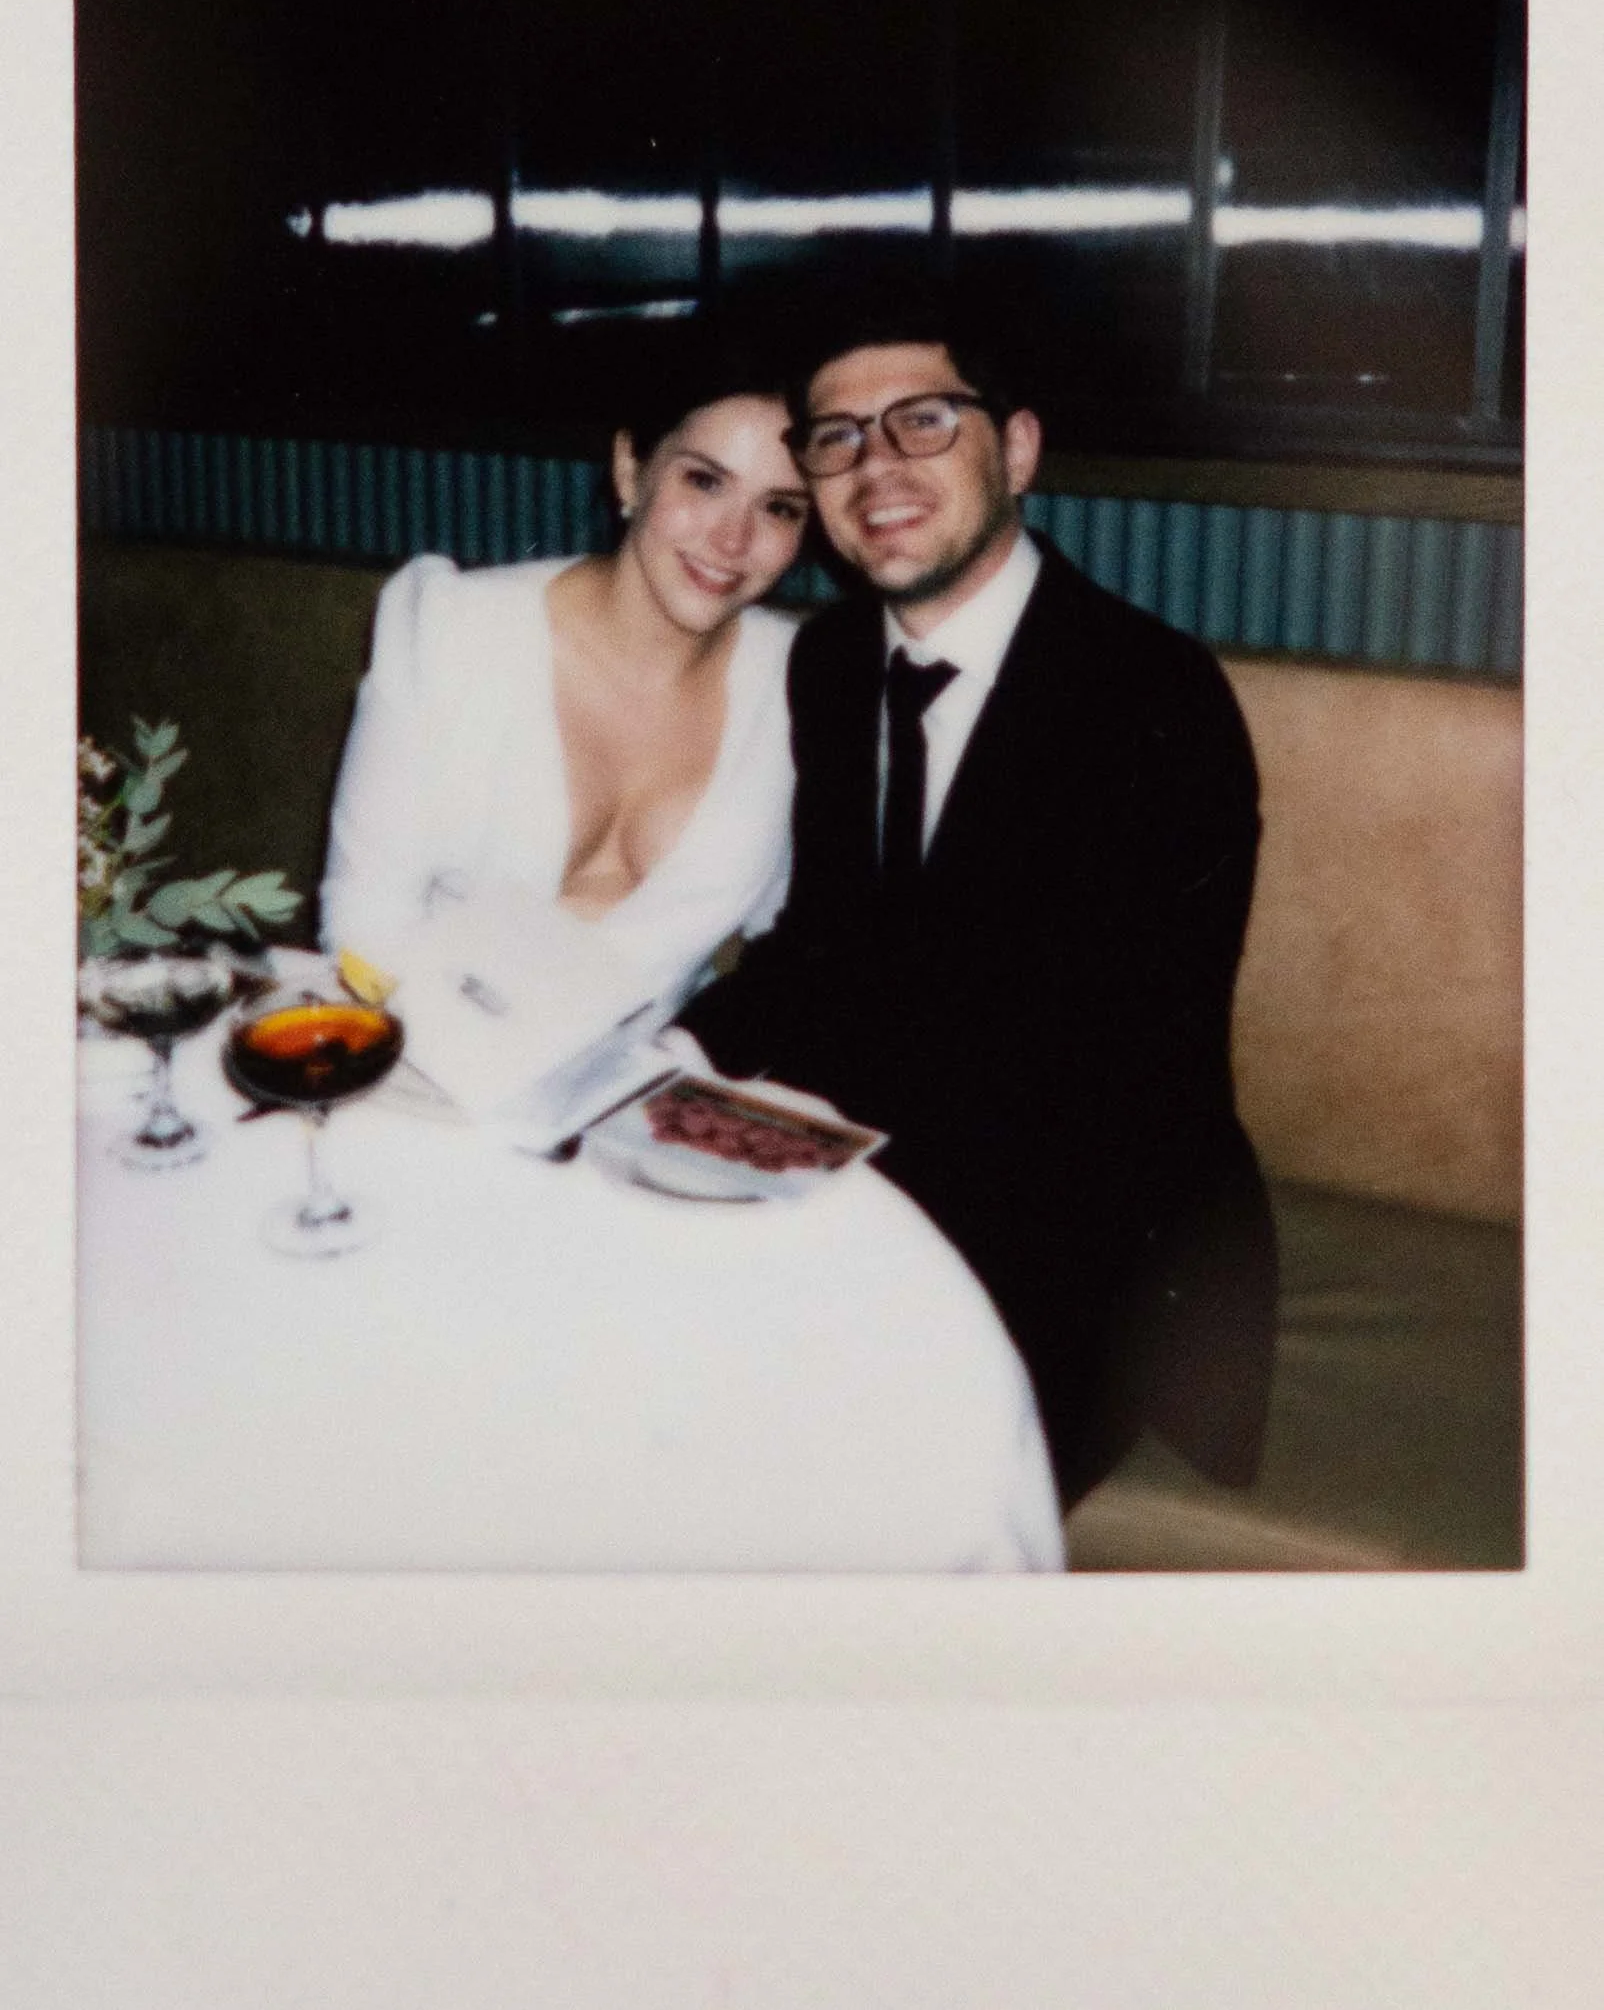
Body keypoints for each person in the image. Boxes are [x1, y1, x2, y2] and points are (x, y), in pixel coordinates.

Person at [674, 294, 1278, 1509]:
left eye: (922, 422)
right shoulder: (833, 666)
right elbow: (822, 953)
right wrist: (666, 1062)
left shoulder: (1153, 697)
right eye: (835, 437)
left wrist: (816, 1202)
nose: (874, 466)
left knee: (810, 1470)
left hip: (1101, 1250)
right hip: (890, 1182)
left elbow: (1114, 1085)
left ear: (1016, 449)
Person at [320, 344, 810, 1096]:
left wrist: (687, 1078)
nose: (732, 538)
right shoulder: (454, 630)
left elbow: (795, 951)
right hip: (414, 1074)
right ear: (629, 469)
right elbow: (364, 926)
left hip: (641, 1108)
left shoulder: (807, 689)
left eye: (779, 507)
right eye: (705, 480)